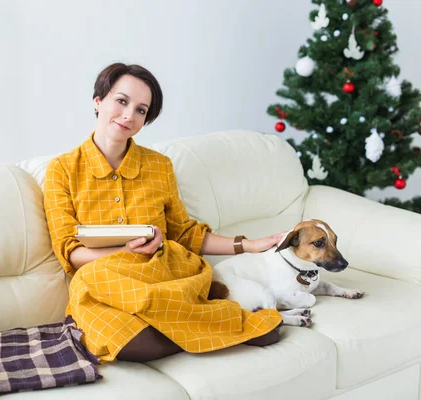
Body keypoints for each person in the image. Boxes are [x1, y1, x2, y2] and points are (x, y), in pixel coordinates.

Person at [43, 62, 284, 363]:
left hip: (162, 274)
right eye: (121, 101)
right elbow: (70, 250)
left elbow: (185, 233)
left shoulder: (159, 165)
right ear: (98, 101)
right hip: (105, 283)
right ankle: (214, 324)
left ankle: (197, 321)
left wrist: (247, 244)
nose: (129, 115)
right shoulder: (62, 170)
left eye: (141, 110)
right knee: (124, 338)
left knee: (264, 332)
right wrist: (125, 252)